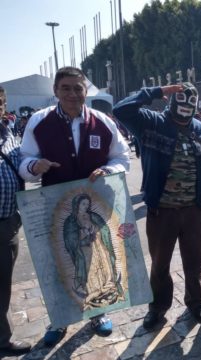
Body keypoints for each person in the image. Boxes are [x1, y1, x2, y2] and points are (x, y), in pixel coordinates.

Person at [19, 66, 130, 346]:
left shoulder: (103, 122)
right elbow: (24, 162)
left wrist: (108, 169)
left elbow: (122, 158)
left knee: (95, 260)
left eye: (77, 88)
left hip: (93, 208)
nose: (72, 94)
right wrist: (35, 165)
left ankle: (97, 313)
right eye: (65, 88)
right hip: (53, 208)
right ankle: (60, 319)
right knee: (58, 264)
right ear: (56, 91)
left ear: (85, 91)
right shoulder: (39, 122)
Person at [113, 82, 201, 329]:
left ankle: (195, 302)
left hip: (193, 211)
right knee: (159, 264)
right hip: (162, 211)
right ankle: (158, 307)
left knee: (195, 261)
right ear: (171, 101)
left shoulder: (200, 129)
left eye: (191, 102)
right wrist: (157, 91)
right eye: (181, 100)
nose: (186, 107)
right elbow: (120, 110)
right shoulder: (151, 122)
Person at [0, 87, 31, 356]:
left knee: (2, 284)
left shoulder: (10, 136)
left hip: (7, 222)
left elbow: (24, 167)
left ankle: (2, 339)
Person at [63, 193, 124, 308]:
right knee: (89, 268)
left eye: (87, 204)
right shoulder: (71, 221)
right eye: (83, 203)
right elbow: (70, 239)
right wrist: (82, 238)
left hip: (97, 246)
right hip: (84, 250)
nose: (86, 206)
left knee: (103, 264)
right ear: (77, 204)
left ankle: (106, 286)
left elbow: (103, 228)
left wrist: (95, 232)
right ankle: (93, 289)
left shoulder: (92, 216)